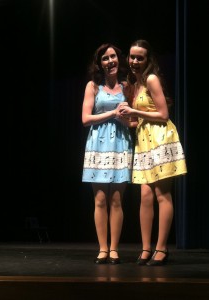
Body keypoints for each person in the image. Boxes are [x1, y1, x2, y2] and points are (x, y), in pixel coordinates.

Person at [120, 39, 187, 266]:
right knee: (145, 196)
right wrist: (127, 119)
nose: (135, 61)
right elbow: (140, 119)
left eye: (140, 57)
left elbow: (163, 114)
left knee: (162, 194)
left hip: (160, 139)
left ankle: (162, 248)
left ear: (148, 60)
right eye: (132, 57)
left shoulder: (151, 79)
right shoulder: (136, 84)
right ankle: (146, 248)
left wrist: (134, 112)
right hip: (145, 141)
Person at [82, 43, 133, 264]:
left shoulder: (127, 86)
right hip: (98, 145)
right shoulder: (93, 87)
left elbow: (134, 120)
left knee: (116, 199)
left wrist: (125, 119)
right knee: (100, 199)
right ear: (100, 64)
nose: (110, 61)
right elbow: (85, 119)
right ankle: (102, 248)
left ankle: (114, 249)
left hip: (121, 143)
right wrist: (113, 112)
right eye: (105, 58)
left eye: (113, 56)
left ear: (118, 60)